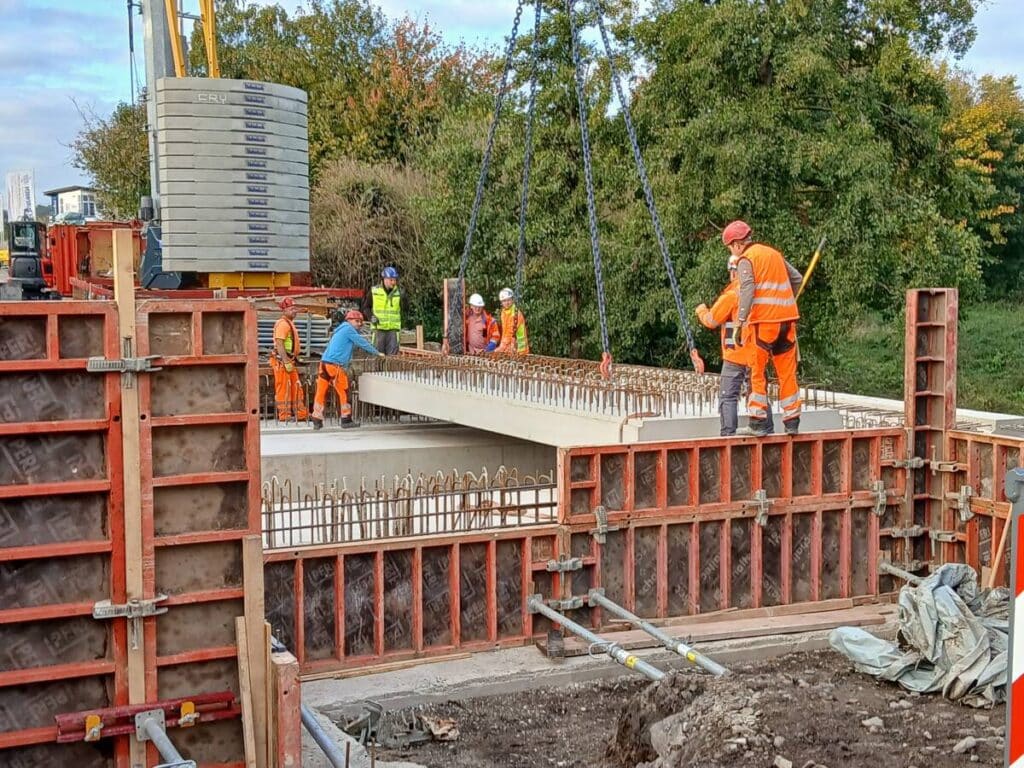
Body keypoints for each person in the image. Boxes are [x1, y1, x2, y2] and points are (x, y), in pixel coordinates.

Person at [722, 220, 803, 436]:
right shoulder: (773, 254)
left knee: (756, 369)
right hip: (788, 322)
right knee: (787, 373)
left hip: (764, 324)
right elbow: (797, 278)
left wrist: (739, 323)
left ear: (737, 244)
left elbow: (747, 290)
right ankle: (792, 422)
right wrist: (785, 302)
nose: (733, 252)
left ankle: (757, 423)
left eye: (731, 248)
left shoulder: (746, 259)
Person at [695, 256, 773, 436]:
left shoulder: (733, 295)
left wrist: (701, 310)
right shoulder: (761, 293)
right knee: (758, 393)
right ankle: (766, 429)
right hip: (756, 353)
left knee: (728, 396)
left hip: (735, 354)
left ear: (733, 271)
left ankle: (728, 436)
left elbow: (711, 320)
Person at [311, 310, 383, 430]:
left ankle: (316, 419)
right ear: (349, 321)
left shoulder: (340, 330)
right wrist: (377, 353)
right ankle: (346, 419)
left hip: (324, 364)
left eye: (361, 322)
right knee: (344, 392)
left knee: (320, 392)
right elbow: (362, 343)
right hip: (335, 366)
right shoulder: (349, 330)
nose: (359, 324)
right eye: (357, 321)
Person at [270, 297, 308, 422]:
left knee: (296, 387)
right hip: (282, 361)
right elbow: (280, 344)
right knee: (284, 388)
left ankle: (301, 414)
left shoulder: (288, 323)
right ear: (284, 310)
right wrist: (285, 361)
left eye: (295, 308)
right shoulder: (282, 324)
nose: (294, 311)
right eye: (291, 309)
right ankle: (284, 415)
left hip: (289, 360)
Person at [364, 266, 402, 355]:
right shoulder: (374, 291)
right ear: (384, 279)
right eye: (391, 280)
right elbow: (366, 307)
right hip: (379, 329)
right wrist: (371, 317)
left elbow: (405, 310)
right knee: (377, 357)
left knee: (392, 359)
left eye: (395, 280)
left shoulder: (399, 293)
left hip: (393, 330)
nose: (393, 282)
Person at [495, 287, 529, 355]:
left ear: (512, 300)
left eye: (508, 300)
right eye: (504, 301)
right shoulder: (503, 313)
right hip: (510, 347)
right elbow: (505, 332)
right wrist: (503, 345)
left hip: (519, 349)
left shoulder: (516, 314)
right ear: (501, 302)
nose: (507, 303)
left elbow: (511, 332)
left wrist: (503, 347)